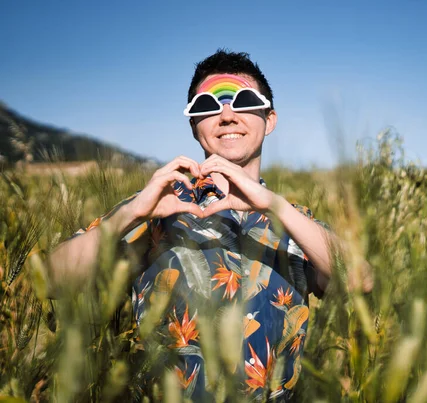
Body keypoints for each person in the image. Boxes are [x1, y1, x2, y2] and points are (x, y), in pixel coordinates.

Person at [48, 49, 334, 401]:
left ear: (270, 119)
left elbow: (361, 280)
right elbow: (49, 280)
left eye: (244, 101)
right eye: (207, 106)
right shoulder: (156, 205)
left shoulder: (295, 220)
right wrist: (131, 214)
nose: (226, 116)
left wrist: (274, 207)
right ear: (194, 126)